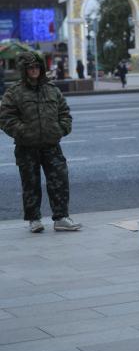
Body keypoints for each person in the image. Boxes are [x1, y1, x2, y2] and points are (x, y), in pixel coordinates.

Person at [0, 51, 81, 233]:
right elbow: (5, 118)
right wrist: (22, 132)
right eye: (30, 67)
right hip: (26, 147)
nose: (34, 70)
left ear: (41, 68)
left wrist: (60, 130)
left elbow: (65, 113)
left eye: (36, 66)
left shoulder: (52, 89)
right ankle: (34, 220)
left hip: (51, 145)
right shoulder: (15, 92)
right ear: (24, 70)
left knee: (59, 181)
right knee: (30, 183)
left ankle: (61, 218)